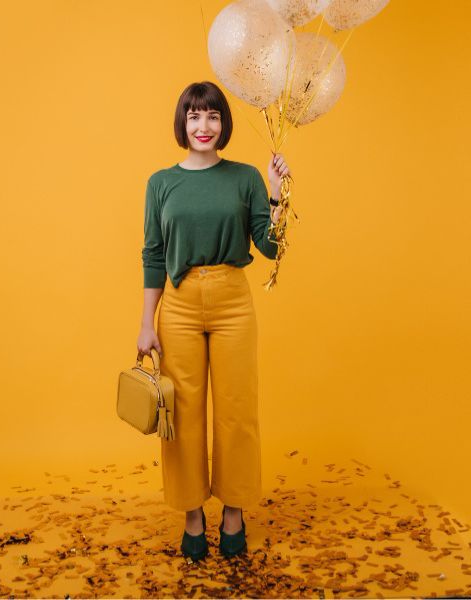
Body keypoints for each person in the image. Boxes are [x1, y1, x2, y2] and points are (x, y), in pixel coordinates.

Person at [136, 81, 289, 561]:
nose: (204, 126)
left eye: (214, 117)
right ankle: (192, 514)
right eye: (195, 116)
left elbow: (269, 247)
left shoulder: (244, 178)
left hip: (231, 300)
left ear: (224, 124)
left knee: (237, 408)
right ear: (182, 123)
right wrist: (146, 322)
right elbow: (154, 254)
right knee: (181, 415)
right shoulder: (161, 183)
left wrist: (278, 196)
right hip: (178, 305)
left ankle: (234, 512)